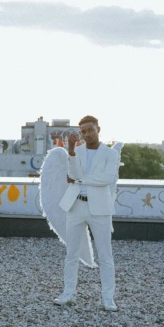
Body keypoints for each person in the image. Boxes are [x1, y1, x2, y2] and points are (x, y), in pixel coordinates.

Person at [54, 115, 120, 311]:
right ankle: (68, 294)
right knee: (71, 254)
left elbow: (106, 179)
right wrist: (71, 151)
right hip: (76, 206)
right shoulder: (76, 151)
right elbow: (72, 174)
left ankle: (108, 299)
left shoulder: (110, 154)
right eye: (83, 131)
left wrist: (80, 180)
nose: (87, 134)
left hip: (100, 209)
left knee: (105, 256)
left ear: (98, 129)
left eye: (90, 129)